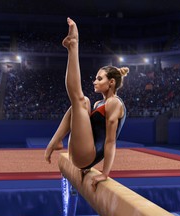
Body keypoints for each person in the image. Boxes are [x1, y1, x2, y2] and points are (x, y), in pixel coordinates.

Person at [44, 17, 128, 189]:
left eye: (99, 79)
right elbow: (79, 122)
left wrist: (105, 174)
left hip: (87, 156)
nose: (95, 82)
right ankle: (56, 141)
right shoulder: (99, 104)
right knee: (82, 103)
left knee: (80, 100)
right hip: (84, 152)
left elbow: (111, 142)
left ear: (111, 82)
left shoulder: (115, 104)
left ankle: (73, 46)